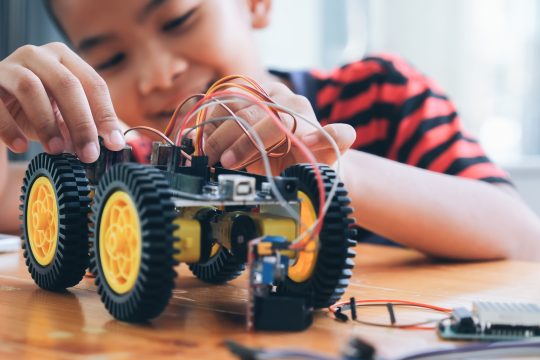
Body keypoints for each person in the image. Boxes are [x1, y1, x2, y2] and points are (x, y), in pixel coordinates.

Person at [0, 0, 539, 260]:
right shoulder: (137, 160)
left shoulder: (382, 96)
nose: (156, 73)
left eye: (179, 20)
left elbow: (521, 237)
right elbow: (9, 197)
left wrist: (322, 164)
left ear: (255, 4)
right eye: (112, 58)